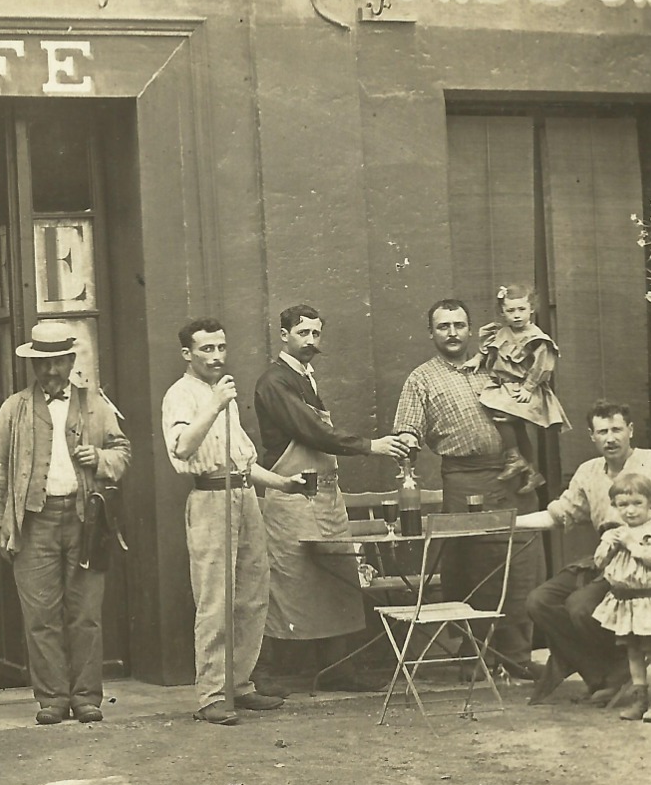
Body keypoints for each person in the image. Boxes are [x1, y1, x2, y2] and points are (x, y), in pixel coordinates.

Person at [519, 401, 651, 705]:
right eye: (602, 431)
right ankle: (608, 671)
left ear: (630, 431)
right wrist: (511, 523)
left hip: (647, 571)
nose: (611, 438)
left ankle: (613, 673)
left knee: (580, 606)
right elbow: (559, 515)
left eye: (617, 429)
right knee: (539, 601)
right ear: (591, 436)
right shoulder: (588, 473)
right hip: (607, 564)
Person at [253, 304, 410, 692]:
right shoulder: (275, 382)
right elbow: (311, 432)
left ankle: (339, 669)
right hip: (292, 496)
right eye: (302, 333)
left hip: (324, 495)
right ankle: (264, 675)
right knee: (287, 582)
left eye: (316, 334)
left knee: (338, 578)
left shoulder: (306, 377)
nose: (310, 341)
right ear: (284, 334)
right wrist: (372, 445)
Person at [0, 319, 131, 725]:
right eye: (43, 364)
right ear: (33, 366)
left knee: (85, 613)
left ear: (70, 360)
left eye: (58, 362)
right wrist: (3, 524)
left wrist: (99, 460)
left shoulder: (95, 403)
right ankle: (51, 698)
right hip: (34, 523)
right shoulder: (14, 408)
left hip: (86, 521)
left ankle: (86, 697)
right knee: (40, 615)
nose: (51, 371)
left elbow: (122, 450)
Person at [163, 317, 307, 726]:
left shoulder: (219, 392)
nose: (216, 356)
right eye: (206, 349)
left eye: (221, 348)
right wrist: (213, 405)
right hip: (210, 498)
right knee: (215, 599)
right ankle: (211, 694)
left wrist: (283, 484)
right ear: (187, 354)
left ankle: (239, 684)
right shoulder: (182, 395)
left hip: (243, 495)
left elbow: (243, 462)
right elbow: (184, 447)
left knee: (252, 594)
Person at [391, 299, 545, 681]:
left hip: (512, 476)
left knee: (520, 566)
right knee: (471, 569)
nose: (452, 332)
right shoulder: (421, 378)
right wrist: (408, 440)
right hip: (464, 479)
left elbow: (528, 403)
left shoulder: (493, 366)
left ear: (470, 329)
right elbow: (408, 426)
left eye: (459, 324)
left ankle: (517, 656)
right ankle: (473, 656)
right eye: (443, 326)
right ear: (431, 333)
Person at [588, 472, 651, 723]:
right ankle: (640, 699)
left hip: (649, 602)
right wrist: (608, 546)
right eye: (623, 505)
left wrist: (631, 544)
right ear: (615, 507)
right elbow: (599, 563)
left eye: (637, 504)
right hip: (625, 602)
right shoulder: (617, 533)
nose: (630, 511)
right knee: (633, 652)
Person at [476, 283, 570, 494]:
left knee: (501, 414)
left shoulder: (535, 337)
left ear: (531, 310)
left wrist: (528, 387)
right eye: (510, 311)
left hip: (523, 388)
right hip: (505, 386)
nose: (517, 315)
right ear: (502, 312)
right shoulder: (502, 332)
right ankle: (531, 472)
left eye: (521, 310)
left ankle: (514, 457)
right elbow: (489, 350)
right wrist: (477, 359)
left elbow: (543, 365)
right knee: (517, 429)